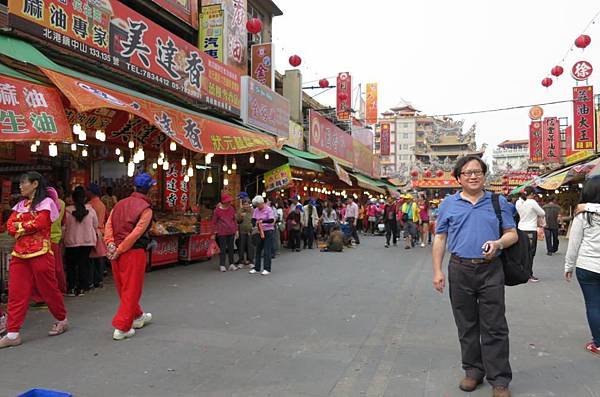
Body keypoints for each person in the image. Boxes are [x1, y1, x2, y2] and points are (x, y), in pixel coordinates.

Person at [432, 156, 518, 397]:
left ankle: (500, 379)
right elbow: (440, 238)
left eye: (477, 172)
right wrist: (437, 271)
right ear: (458, 178)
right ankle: (473, 371)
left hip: (491, 270)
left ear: (484, 175)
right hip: (459, 269)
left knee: (495, 325)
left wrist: (498, 242)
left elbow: (512, 234)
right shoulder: (448, 204)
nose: (473, 176)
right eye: (467, 172)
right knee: (466, 324)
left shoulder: (497, 201)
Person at [0, 172, 69, 349]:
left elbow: (40, 223)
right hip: (19, 254)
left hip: (41, 252)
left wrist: (19, 225)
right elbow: (9, 226)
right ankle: (13, 333)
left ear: (35, 184)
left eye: (24, 183)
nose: (21, 186)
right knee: (15, 293)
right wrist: (24, 225)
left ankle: (61, 319)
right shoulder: (20, 205)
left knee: (48, 290)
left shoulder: (46, 204)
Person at [104, 173, 155, 341]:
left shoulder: (119, 204)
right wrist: (120, 249)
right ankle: (122, 326)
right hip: (133, 252)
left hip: (117, 252)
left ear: (134, 187)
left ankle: (138, 316)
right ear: (149, 190)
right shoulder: (146, 209)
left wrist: (111, 245)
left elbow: (108, 226)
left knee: (123, 288)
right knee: (131, 289)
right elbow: (136, 233)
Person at [564, 178, 600, 357]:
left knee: (594, 305)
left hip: (588, 266)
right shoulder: (583, 212)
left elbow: (574, 244)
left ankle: (598, 344)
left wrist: (568, 266)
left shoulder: (582, 215)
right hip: (589, 266)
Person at [31, 187, 66, 306]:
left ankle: (40, 296)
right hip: (55, 239)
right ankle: (59, 291)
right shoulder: (61, 203)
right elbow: (63, 221)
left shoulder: (41, 206)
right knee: (56, 267)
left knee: (40, 270)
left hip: (42, 240)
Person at [64, 186, 98, 297]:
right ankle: (82, 288)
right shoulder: (91, 211)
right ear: (84, 198)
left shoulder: (67, 212)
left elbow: (64, 227)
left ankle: (71, 288)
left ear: (73, 199)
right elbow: (96, 225)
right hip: (87, 241)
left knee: (71, 266)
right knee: (83, 264)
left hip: (71, 241)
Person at [515, 186, 545, 282]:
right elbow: (542, 213)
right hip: (530, 230)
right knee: (530, 253)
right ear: (532, 194)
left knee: (522, 252)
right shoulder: (532, 202)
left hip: (520, 229)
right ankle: (529, 274)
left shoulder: (519, 203)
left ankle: (521, 272)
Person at [87, 183, 107, 289]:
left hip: (94, 231)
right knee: (99, 257)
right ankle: (99, 280)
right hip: (101, 231)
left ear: (91, 192)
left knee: (91, 258)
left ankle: (92, 280)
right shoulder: (101, 204)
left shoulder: (90, 205)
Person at [250, 196, 275, 275]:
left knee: (267, 250)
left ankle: (267, 268)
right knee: (258, 250)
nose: (257, 206)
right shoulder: (256, 210)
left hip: (268, 231)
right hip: (259, 231)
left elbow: (271, 220)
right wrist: (254, 224)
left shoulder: (268, 209)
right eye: (256, 205)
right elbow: (253, 219)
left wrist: (262, 221)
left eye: (258, 204)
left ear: (261, 203)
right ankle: (257, 268)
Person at [213, 194, 237, 272]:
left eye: (229, 201)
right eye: (228, 201)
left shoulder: (232, 209)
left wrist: (236, 230)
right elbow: (214, 222)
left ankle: (231, 264)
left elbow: (234, 220)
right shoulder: (217, 210)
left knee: (231, 248)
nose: (229, 202)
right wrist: (213, 233)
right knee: (222, 249)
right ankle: (222, 265)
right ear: (224, 202)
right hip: (222, 232)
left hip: (231, 231)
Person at [236, 197, 254, 268]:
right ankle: (241, 261)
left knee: (250, 247)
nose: (245, 206)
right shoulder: (240, 211)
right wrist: (241, 217)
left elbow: (254, 221)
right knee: (241, 246)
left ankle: (251, 261)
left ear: (249, 204)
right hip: (242, 231)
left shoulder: (253, 211)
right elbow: (237, 221)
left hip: (250, 231)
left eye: (247, 204)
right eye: (244, 204)